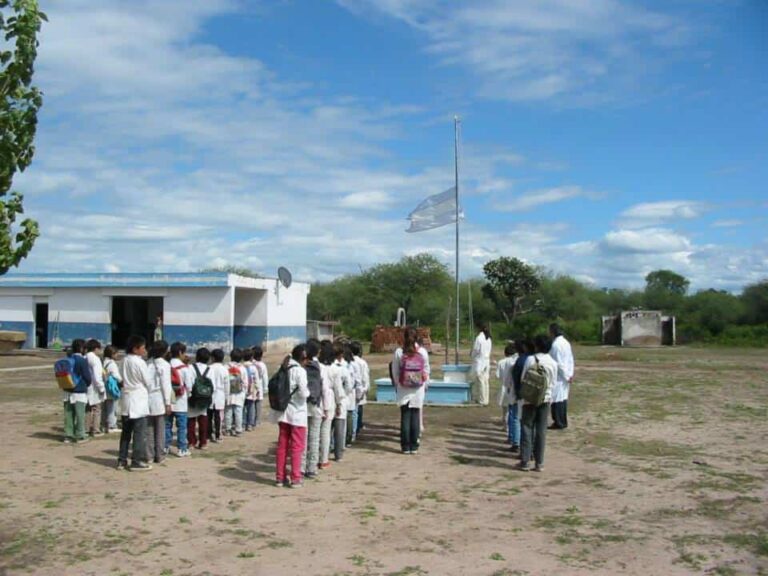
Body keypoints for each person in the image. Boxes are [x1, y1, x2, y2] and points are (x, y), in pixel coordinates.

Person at [519, 334, 557, 472]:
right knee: (541, 430)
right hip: (545, 399)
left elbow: (524, 377)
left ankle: (525, 461)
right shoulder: (553, 363)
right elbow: (553, 383)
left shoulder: (530, 359)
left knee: (527, 427)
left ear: (537, 346)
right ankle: (539, 462)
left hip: (529, 398)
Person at [272, 345, 309, 488]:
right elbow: (303, 393)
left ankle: (280, 477)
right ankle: (295, 477)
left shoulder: (283, 367)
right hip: (297, 413)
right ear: (303, 358)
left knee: (282, 446)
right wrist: (308, 393)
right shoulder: (300, 371)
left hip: (283, 411)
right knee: (297, 447)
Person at [118, 335, 152, 471]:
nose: (144, 350)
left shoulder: (124, 360)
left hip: (127, 397)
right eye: (142, 348)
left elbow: (120, 377)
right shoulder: (139, 362)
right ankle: (136, 461)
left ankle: (122, 459)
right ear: (135, 349)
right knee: (139, 433)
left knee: (126, 433)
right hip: (138, 399)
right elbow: (147, 381)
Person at [392, 326, 428, 454]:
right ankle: (414, 445)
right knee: (415, 416)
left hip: (403, 387)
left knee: (405, 416)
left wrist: (397, 384)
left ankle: (405, 446)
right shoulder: (422, 352)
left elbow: (395, 371)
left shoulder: (399, 352)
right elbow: (426, 370)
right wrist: (425, 384)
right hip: (418, 388)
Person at [146, 339, 172, 464]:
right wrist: (168, 403)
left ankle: (149, 455)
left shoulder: (148, 363)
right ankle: (159, 455)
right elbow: (165, 385)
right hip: (159, 398)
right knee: (160, 429)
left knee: (149, 430)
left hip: (147, 398)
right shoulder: (165, 365)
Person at [62, 339, 92, 444]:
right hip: (79, 391)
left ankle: (68, 435)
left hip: (67, 390)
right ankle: (80, 435)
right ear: (81, 348)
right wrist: (87, 384)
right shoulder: (82, 361)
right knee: (80, 415)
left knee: (68, 415)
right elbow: (87, 377)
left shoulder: (68, 359)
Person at [302, 339, 324, 479]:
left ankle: (301, 467)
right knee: (314, 438)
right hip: (315, 404)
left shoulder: (301, 366)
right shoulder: (318, 366)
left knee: (302, 438)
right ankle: (312, 467)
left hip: (302, 405)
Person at [166, 341, 193, 457]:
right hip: (181, 401)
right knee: (181, 427)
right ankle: (182, 448)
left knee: (167, 425)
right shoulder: (184, 368)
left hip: (168, 401)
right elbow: (190, 385)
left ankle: (165, 446)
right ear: (180, 352)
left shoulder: (166, 365)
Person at [326, 342, 350, 462]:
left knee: (327, 429)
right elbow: (349, 385)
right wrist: (343, 396)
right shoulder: (342, 368)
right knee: (339, 430)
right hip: (339, 400)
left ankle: (325, 452)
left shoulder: (326, 367)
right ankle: (338, 454)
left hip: (328, 401)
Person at [548, 323, 574, 430]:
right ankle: (561, 421)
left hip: (560, 376)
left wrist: (566, 376)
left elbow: (558, 363)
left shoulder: (556, 345)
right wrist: (570, 373)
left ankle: (559, 422)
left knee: (557, 400)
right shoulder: (566, 343)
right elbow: (570, 360)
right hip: (566, 374)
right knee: (562, 399)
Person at [496, 342, 519, 451]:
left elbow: (498, 376)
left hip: (504, 387)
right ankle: (510, 430)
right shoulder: (514, 362)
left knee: (506, 410)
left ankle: (506, 427)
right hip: (511, 389)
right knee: (512, 411)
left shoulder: (501, 362)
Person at [187, 347, 211, 450]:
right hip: (205, 397)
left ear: (196, 357)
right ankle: (203, 442)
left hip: (193, 397)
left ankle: (191, 442)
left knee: (191, 420)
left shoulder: (190, 368)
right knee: (203, 420)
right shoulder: (210, 369)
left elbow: (188, 382)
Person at [318, 340, 336, 470]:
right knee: (325, 432)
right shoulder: (334, 369)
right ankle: (323, 459)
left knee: (313, 434)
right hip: (328, 402)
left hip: (315, 402)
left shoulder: (315, 366)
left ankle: (312, 460)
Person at [85, 339, 106, 437]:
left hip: (86, 387)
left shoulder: (85, 357)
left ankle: (86, 428)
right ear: (96, 348)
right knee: (97, 409)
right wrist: (101, 388)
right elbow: (97, 376)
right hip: (94, 387)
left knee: (88, 409)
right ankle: (96, 430)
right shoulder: (95, 359)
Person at [207, 348, 228, 443]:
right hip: (220, 394)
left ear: (212, 358)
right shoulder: (224, 369)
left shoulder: (209, 368)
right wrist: (227, 396)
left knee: (209, 415)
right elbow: (227, 384)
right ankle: (218, 435)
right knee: (218, 416)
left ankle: (209, 433)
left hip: (210, 394)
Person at [224, 348, 247, 436]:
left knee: (228, 411)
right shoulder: (242, 368)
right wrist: (244, 391)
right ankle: (238, 430)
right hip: (239, 393)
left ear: (231, 357)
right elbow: (245, 382)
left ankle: (228, 429)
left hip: (228, 393)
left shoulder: (225, 367)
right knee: (238, 412)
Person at [350, 341, 370, 435]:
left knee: (352, 410)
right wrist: (366, 388)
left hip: (352, 388)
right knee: (359, 409)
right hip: (360, 387)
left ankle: (355, 428)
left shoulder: (349, 361)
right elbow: (365, 376)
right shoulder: (362, 362)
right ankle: (357, 428)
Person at [470, 324, 493, 405]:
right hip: (486, 361)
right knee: (486, 381)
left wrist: (472, 355)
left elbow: (476, 350)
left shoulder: (479, 338)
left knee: (480, 381)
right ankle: (486, 399)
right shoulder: (489, 338)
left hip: (480, 361)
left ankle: (482, 400)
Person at [102, 345, 122, 433]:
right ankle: (112, 425)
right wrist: (121, 381)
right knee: (112, 407)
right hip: (112, 387)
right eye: (116, 353)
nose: (117, 355)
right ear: (112, 354)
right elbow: (115, 375)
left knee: (106, 407)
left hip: (105, 386)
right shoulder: (112, 364)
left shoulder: (103, 362)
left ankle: (105, 424)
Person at [251, 346, 268, 427]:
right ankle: (257, 421)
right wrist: (265, 388)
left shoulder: (251, 364)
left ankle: (251, 420)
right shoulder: (262, 365)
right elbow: (265, 377)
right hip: (260, 387)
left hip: (252, 387)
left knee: (251, 405)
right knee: (258, 406)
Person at [241, 348, 257, 431]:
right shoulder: (254, 368)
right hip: (252, 390)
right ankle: (250, 424)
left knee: (243, 407)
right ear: (252, 357)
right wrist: (257, 390)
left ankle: (243, 424)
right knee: (251, 407)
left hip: (243, 390)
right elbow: (256, 380)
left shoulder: (241, 367)